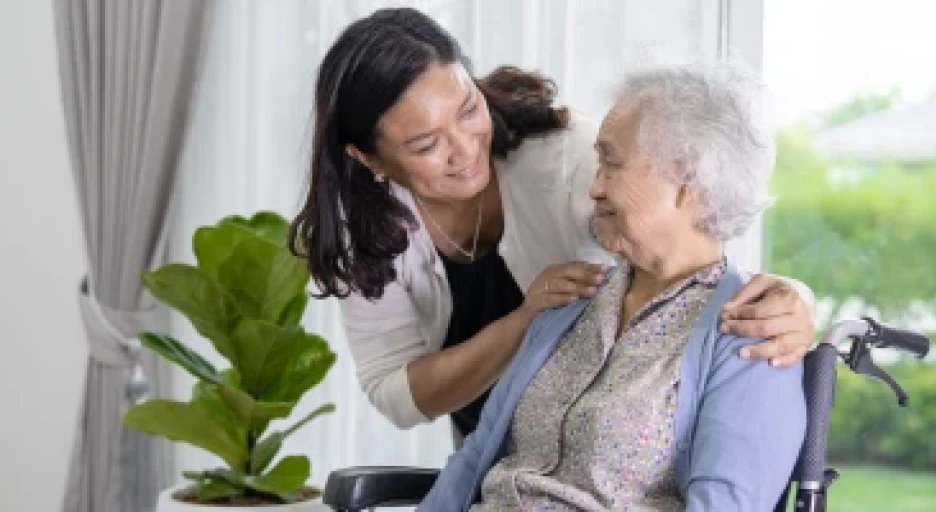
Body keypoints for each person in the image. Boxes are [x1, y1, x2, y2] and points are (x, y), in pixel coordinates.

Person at [288, 7, 814, 435]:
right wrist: (523, 324)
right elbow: (398, 395)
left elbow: (693, 243)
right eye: (427, 144)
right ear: (368, 159)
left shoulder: (570, 161)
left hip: (605, 444)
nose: (466, 148)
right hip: (498, 455)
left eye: (469, 110)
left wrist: (789, 299)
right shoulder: (365, 228)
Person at [420, 64, 805, 511]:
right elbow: (477, 453)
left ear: (687, 182)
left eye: (611, 163)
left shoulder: (749, 335)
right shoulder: (570, 300)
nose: (595, 187)